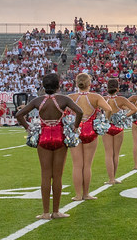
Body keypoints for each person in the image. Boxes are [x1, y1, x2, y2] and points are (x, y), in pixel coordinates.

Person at [14, 73, 85, 220]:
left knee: (45, 175)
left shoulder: (38, 100)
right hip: (60, 137)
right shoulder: (63, 99)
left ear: (44, 86)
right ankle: (56, 211)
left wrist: (28, 128)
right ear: (58, 85)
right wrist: (75, 127)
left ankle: (45, 213)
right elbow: (80, 111)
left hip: (43, 137)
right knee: (57, 176)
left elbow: (19, 115)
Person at [69, 73, 111, 201]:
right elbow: (109, 109)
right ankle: (86, 194)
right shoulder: (95, 97)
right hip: (90, 130)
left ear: (77, 84)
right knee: (87, 165)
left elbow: (61, 111)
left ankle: (77, 195)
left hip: (75, 129)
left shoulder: (70, 97)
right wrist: (104, 122)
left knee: (77, 165)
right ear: (89, 84)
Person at [97, 79, 137, 185]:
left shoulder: (103, 99)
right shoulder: (121, 99)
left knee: (108, 154)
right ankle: (113, 178)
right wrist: (123, 117)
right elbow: (134, 109)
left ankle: (110, 179)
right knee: (116, 154)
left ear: (107, 88)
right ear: (117, 88)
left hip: (107, 126)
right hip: (118, 127)